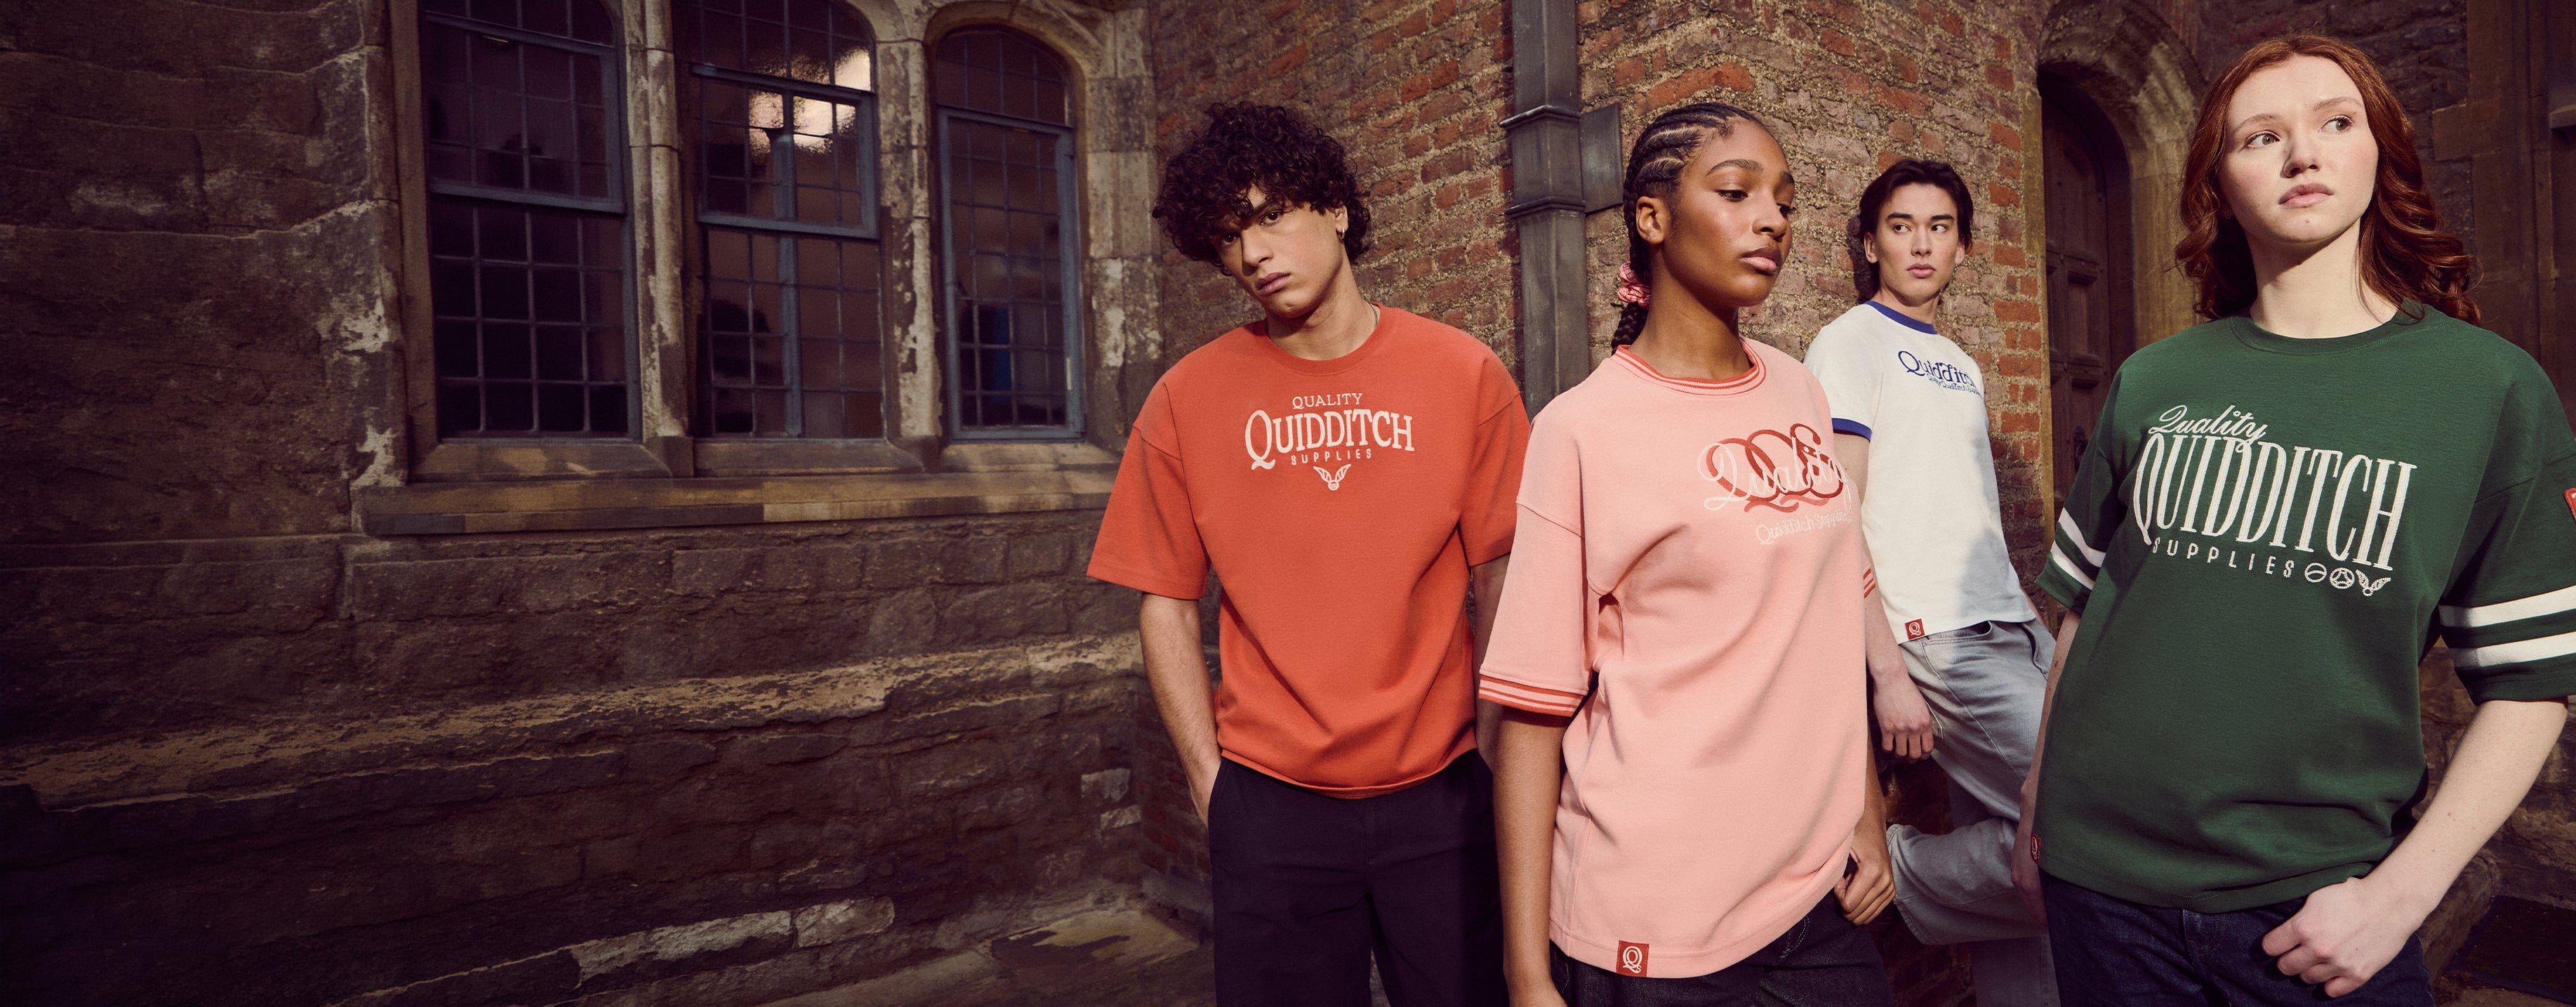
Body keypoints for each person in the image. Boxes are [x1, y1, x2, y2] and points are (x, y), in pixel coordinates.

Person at [2016, 34, 2576, 1006]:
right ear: (2218, 184)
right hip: (2099, 886)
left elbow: (2533, 679)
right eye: (2260, 136)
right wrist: (2036, 807)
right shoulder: (2156, 378)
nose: (2301, 154)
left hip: (2317, 905)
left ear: (2379, 152)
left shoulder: (2486, 390)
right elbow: (2086, 611)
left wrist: (2400, 897)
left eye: (2334, 122)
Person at [1087, 102, 1529, 1007]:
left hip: (1443, 793)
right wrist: (1212, 787)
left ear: (1334, 207)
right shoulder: (1185, 399)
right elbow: (1163, 600)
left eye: (1270, 215)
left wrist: (1491, 750)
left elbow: (1503, 575)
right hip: (1271, 803)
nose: (1252, 253)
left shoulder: (1463, 374)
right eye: (1228, 236)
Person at [1481, 101, 1901, 1007]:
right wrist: (1525, 975)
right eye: (1737, 192)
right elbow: (1530, 713)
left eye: (1784, 201)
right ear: (1652, 217)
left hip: (1815, 897)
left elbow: (1826, 631)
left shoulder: (1798, 390)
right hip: (1654, 920)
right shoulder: (1583, 428)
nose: (1772, 219)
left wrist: (1863, 813)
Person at [1803, 159, 2059, 1006]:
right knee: (2084, 820)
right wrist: (1886, 672)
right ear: (1870, 244)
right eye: (1901, 226)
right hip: (1936, 640)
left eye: (1939, 227)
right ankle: (1903, 867)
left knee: (2024, 860)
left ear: (1962, 248)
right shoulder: (1849, 342)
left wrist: (2033, 626)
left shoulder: (1958, 362)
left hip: (2011, 625)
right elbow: (1838, 512)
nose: (1920, 243)